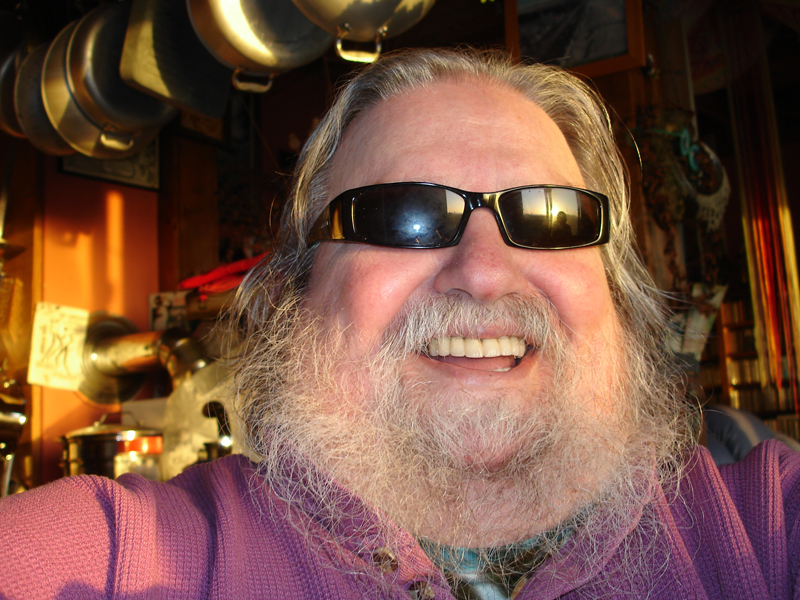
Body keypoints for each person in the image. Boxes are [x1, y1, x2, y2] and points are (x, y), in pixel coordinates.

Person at [1, 47, 798, 600]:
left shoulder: (765, 535)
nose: (484, 271)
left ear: (618, 296)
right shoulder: (128, 560)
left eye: (549, 217)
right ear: (295, 298)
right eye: (402, 215)